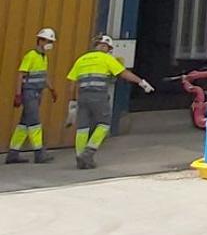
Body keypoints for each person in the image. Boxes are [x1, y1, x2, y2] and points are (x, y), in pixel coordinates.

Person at [65, 34, 154, 169]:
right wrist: (141, 82)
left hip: (82, 97)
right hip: (98, 96)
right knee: (104, 124)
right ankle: (88, 153)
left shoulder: (81, 59)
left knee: (82, 127)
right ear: (106, 47)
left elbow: (71, 83)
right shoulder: (106, 58)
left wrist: (72, 103)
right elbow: (123, 73)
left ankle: (79, 157)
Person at [6, 28, 58, 165]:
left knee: (23, 125)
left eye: (51, 41)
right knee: (34, 123)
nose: (50, 44)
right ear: (40, 40)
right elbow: (20, 74)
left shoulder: (43, 57)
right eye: (48, 41)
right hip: (29, 93)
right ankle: (39, 153)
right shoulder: (31, 55)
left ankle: (13, 154)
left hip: (37, 93)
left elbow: (43, 75)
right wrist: (18, 94)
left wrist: (51, 89)